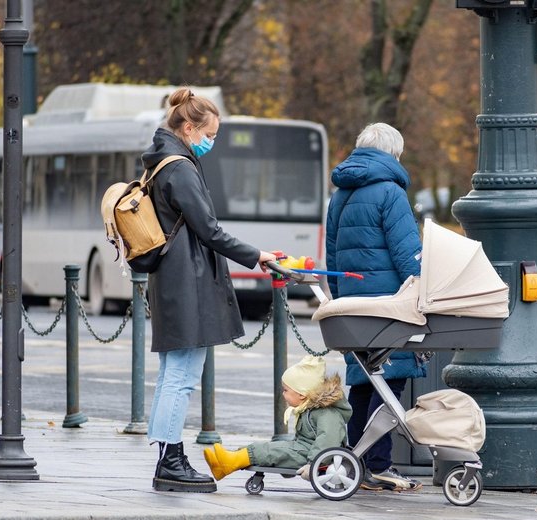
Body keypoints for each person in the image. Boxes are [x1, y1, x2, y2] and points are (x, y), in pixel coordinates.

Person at [143, 87, 278, 493]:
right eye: (209, 135)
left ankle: (168, 457)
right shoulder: (180, 168)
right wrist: (256, 255)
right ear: (187, 127)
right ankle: (170, 460)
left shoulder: (160, 162)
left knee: (173, 374)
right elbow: (209, 229)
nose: (211, 142)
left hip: (172, 279)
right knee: (181, 377)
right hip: (188, 283)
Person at [325, 122, 425, 491]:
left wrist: (340, 299)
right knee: (390, 381)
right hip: (389, 303)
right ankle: (377, 462)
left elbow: (332, 254)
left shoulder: (340, 195)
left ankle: (357, 462)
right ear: (392, 154)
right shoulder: (390, 192)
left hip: (353, 302)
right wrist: (423, 290)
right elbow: (407, 252)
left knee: (365, 383)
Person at [202, 355, 351, 479]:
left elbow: (328, 440)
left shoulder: (327, 413)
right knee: (268, 447)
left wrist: (313, 463)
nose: (283, 394)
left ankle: (229, 463)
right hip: (304, 450)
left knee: (271, 451)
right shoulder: (310, 409)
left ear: (302, 394)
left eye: (286, 390)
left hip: (312, 456)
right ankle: (226, 462)